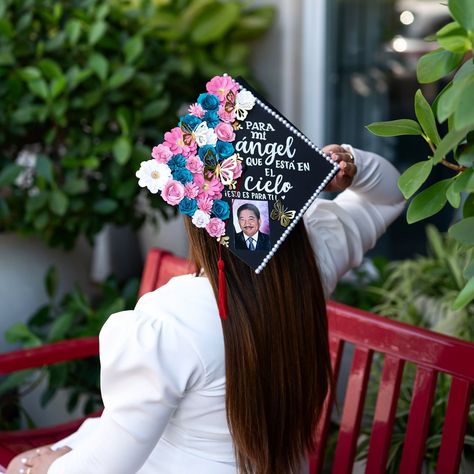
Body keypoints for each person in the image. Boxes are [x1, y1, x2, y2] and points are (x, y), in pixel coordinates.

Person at [6, 143, 405, 474]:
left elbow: (103, 468)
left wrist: (43, 467)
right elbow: (393, 193)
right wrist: (351, 165)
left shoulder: (171, 320)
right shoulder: (311, 265)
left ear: (199, 223)